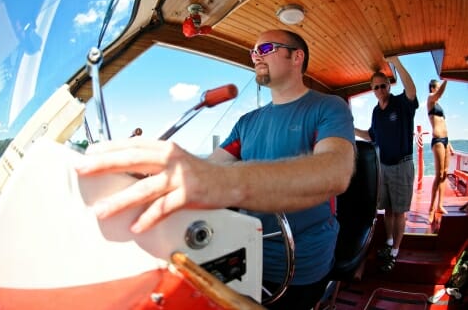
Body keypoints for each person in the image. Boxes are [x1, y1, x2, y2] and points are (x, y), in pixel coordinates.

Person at [76, 29, 356, 310]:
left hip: (298, 264)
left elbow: (335, 171)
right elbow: (209, 169)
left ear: (297, 57)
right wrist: (149, 175)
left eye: (266, 48)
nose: (256, 55)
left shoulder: (328, 107)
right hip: (240, 249)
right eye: (253, 51)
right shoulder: (247, 122)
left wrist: (225, 183)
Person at [354, 56, 419, 273]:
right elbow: (371, 136)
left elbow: (411, 90)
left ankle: (395, 252)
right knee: (388, 210)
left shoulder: (401, 104)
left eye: (383, 86)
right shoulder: (375, 111)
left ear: (389, 86)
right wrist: (351, 128)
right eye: (376, 87)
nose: (380, 90)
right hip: (383, 167)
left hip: (401, 165)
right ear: (372, 90)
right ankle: (389, 242)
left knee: (399, 212)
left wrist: (397, 63)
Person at [426, 79, 453, 223]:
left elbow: (444, 124)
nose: (439, 91)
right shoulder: (430, 99)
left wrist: (450, 145)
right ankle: (430, 209)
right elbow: (440, 92)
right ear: (432, 88)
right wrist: (446, 78)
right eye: (437, 88)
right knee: (439, 174)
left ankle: (439, 205)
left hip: (446, 140)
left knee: (445, 174)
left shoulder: (439, 106)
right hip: (437, 141)